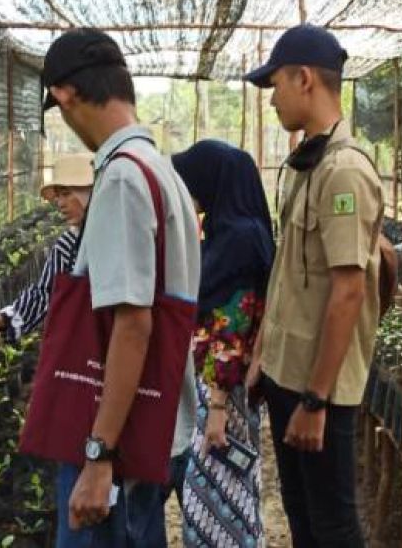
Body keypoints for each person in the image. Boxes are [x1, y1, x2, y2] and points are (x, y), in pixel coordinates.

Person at [24, 28, 201, 548]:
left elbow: (133, 323)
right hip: (157, 424)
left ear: (64, 95)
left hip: (118, 443)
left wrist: (99, 457)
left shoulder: (123, 179)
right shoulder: (161, 170)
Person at [243, 24, 383, 547]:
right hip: (287, 372)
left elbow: (349, 290)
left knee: (332, 526)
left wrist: (317, 401)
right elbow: (287, 273)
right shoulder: (307, 164)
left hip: (316, 387)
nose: (272, 99)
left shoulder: (343, 171)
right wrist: (263, 353)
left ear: (304, 79)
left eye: (275, 84)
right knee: (303, 516)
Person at [171, 140, 274, 548]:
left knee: (216, 498)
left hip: (224, 390)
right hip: (221, 386)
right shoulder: (231, 230)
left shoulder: (238, 238)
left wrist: (216, 408)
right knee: (227, 496)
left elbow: (231, 327)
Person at [0, 153, 94, 345]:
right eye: (58, 196)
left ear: (89, 193)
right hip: (85, 348)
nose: (60, 203)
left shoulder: (118, 240)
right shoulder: (67, 246)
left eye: (67, 194)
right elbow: (44, 293)